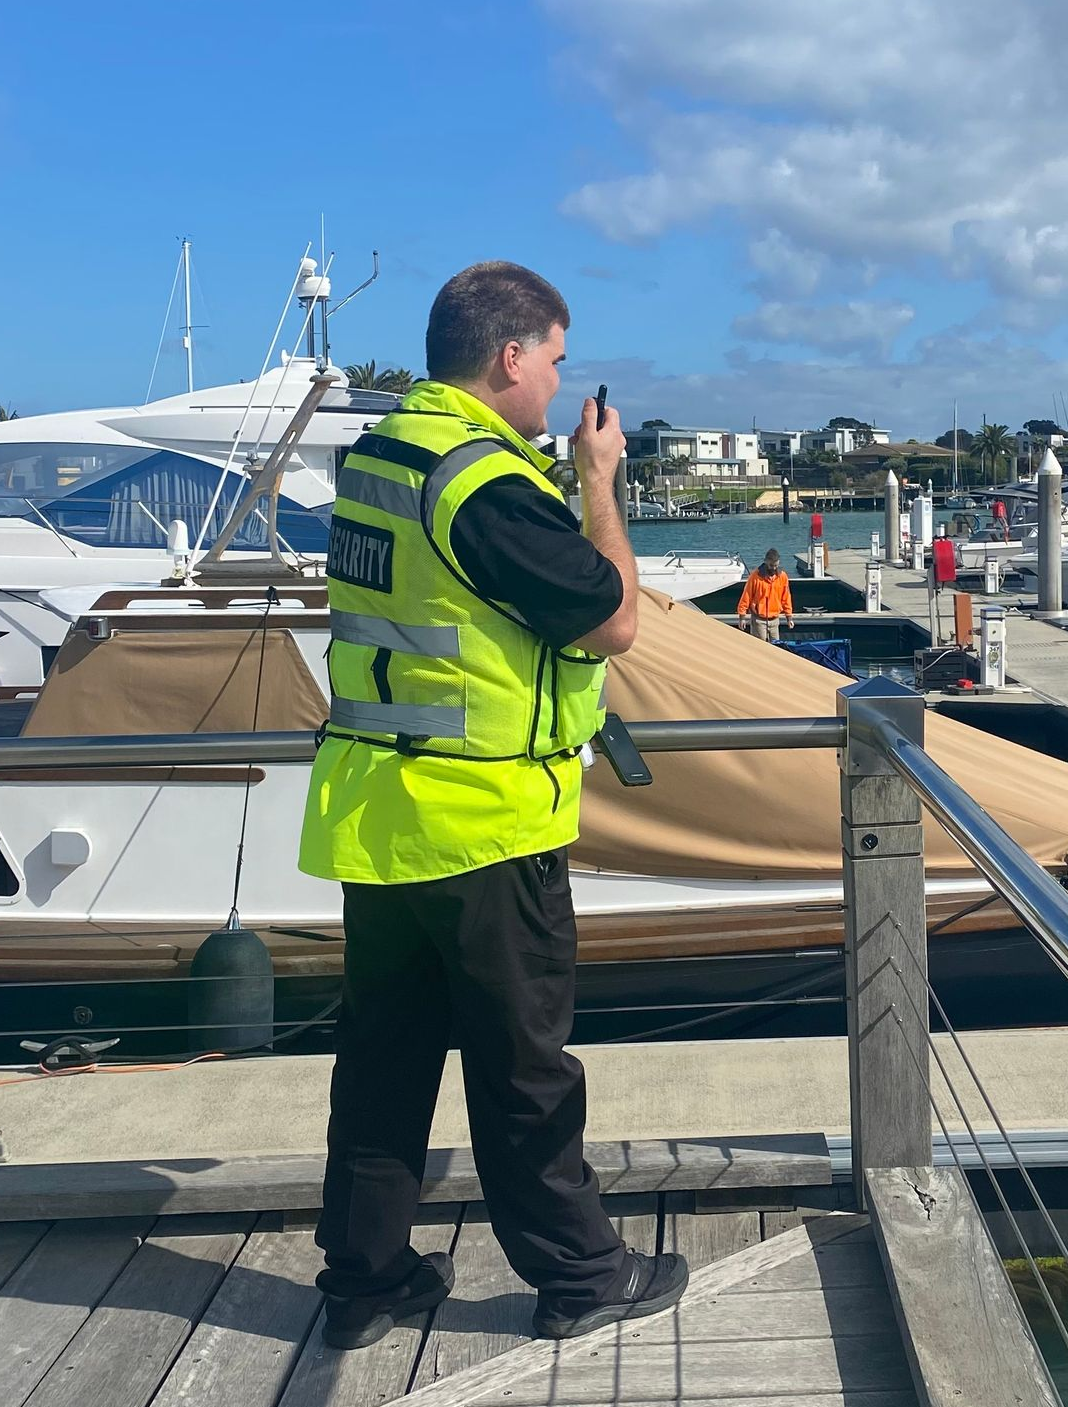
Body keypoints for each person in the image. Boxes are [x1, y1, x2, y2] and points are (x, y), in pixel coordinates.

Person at [299, 261, 687, 1350]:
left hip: (379, 815)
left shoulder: (381, 452)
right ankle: (580, 1276)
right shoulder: (482, 480)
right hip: (482, 819)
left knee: (382, 1064)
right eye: (555, 362)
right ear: (510, 357)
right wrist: (598, 480)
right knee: (523, 1071)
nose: (562, 390)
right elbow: (611, 621)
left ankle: (366, 1281)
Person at [737, 548, 794, 641]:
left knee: (776, 647)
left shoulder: (782, 577)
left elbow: (786, 598)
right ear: (766, 562)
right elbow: (746, 596)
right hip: (759, 620)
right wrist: (742, 617)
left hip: (775, 619)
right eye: (771, 565)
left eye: (776, 565)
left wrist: (789, 617)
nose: (774, 568)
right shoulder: (755, 576)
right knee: (760, 647)